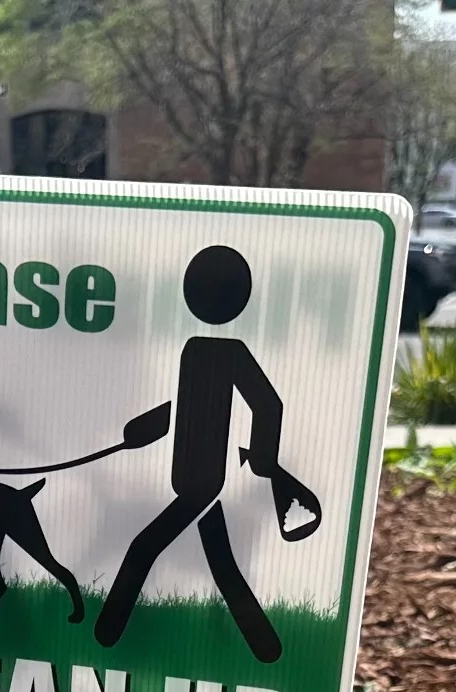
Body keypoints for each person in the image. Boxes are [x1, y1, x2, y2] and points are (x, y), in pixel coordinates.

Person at [94, 245, 304, 664]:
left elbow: (268, 404)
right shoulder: (193, 349)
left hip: (206, 482)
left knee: (143, 548)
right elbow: (183, 406)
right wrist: (141, 430)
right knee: (222, 564)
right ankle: (267, 648)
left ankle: (105, 635)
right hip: (192, 478)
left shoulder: (232, 353)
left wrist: (263, 459)